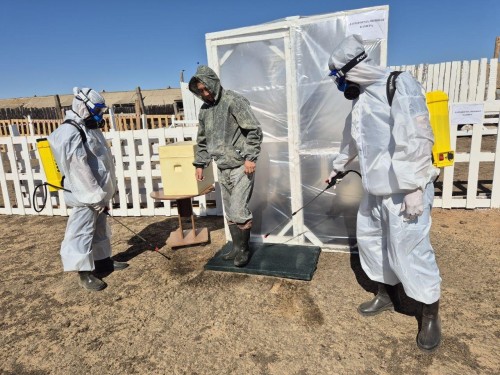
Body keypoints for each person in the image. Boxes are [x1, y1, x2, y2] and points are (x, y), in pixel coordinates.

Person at [325, 35, 442, 352]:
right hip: (375, 190)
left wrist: (415, 186)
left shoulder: (398, 84)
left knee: (411, 248)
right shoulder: (360, 100)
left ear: (354, 67)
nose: (340, 83)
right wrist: (337, 168)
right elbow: (353, 141)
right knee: (373, 242)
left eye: (339, 75)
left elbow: (419, 135)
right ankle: (385, 295)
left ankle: (429, 312)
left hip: (405, 191)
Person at [48, 87, 128, 291]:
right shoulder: (70, 132)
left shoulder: (89, 127)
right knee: (81, 231)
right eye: (97, 110)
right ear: (83, 106)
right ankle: (84, 273)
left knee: (100, 228)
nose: (99, 116)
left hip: (98, 192)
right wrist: (94, 196)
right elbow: (78, 169)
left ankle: (103, 261)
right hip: (85, 194)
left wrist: (103, 194)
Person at [188, 65, 263, 267]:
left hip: (240, 165)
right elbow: (202, 139)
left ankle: (244, 250)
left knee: (239, 210)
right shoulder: (205, 111)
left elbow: (253, 130)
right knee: (230, 211)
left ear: (214, 83)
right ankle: (236, 248)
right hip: (222, 167)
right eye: (200, 90)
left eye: (206, 88)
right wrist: (200, 164)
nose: (205, 93)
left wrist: (250, 157)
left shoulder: (233, 100)